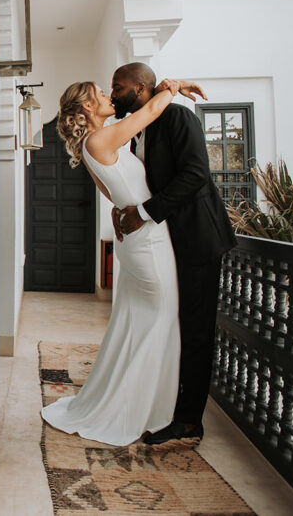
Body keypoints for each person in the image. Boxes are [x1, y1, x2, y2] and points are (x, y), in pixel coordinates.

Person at [41, 77, 202, 446]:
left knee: (137, 323)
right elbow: (149, 111)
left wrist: (120, 211)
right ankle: (144, 410)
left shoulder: (92, 143)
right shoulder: (101, 139)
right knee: (159, 323)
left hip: (136, 238)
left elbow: (113, 195)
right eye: (100, 94)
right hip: (148, 241)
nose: (108, 95)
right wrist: (173, 86)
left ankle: (132, 402)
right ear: (86, 107)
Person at [109, 62, 237, 445]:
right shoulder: (138, 131)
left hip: (198, 239)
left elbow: (196, 174)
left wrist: (144, 214)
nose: (113, 93)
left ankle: (188, 420)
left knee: (196, 329)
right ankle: (163, 402)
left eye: (119, 86)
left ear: (142, 88)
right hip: (169, 240)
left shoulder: (178, 117)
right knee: (173, 323)